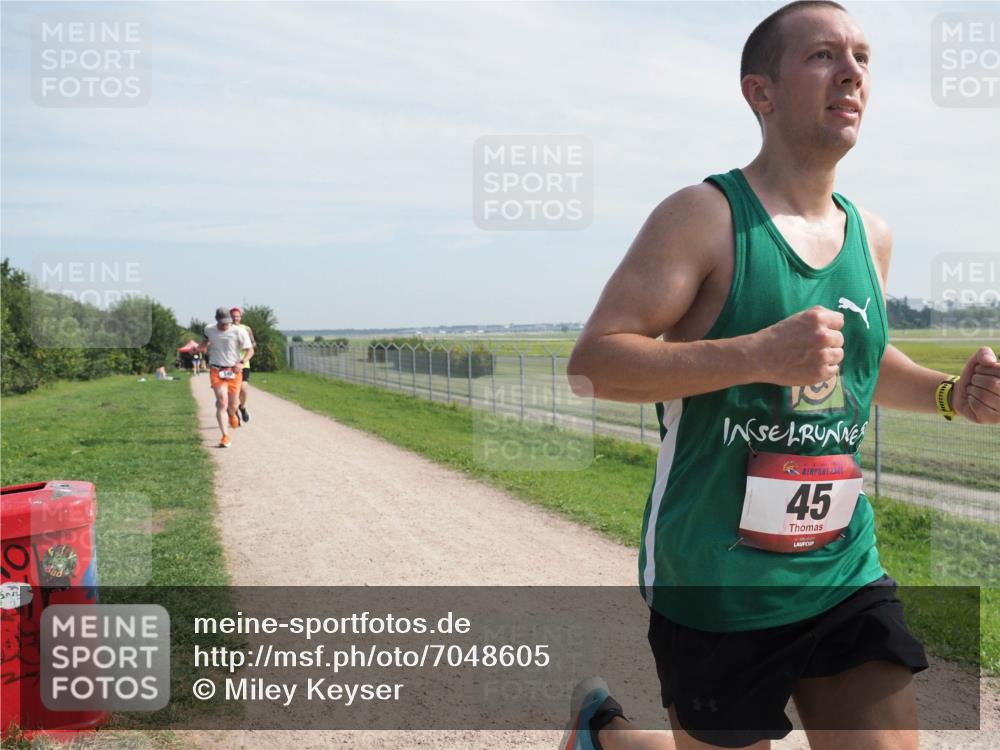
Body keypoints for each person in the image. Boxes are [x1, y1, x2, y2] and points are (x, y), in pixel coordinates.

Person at [562, 3, 1000, 750]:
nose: (853, 72)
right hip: (715, 582)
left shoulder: (873, 235)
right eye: (824, 55)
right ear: (759, 93)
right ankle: (604, 737)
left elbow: (860, 364)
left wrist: (948, 395)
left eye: (862, 56)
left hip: (840, 570)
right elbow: (594, 366)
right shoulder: (703, 216)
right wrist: (757, 355)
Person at [201, 306, 254, 448]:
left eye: (227, 322)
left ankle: (232, 414)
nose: (225, 325)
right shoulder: (209, 329)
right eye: (222, 322)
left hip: (234, 371)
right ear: (217, 320)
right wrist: (201, 347)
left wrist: (242, 363)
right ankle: (225, 436)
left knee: (233, 404)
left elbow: (250, 350)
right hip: (216, 370)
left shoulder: (239, 331)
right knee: (222, 402)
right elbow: (205, 340)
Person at [230, 307, 256, 424]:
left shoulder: (246, 329)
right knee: (233, 391)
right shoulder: (226, 329)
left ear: (241, 317)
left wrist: (246, 345)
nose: (236, 318)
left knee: (243, 389)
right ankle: (234, 412)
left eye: (238, 316)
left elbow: (253, 343)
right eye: (233, 316)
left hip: (244, 363)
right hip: (230, 364)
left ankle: (242, 407)